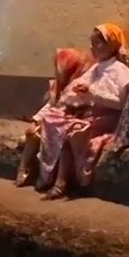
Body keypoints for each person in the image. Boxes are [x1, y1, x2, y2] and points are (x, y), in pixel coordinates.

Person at [34, 24, 129, 200]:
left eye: (97, 43)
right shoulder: (95, 69)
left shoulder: (120, 71)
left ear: (111, 45)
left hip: (108, 118)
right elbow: (75, 90)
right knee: (52, 120)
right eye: (91, 43)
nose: (92, 48)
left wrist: (92, 93)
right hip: (89, 114)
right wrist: (76, 94)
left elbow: (120, 103)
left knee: (71, 131)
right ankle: (46, 175)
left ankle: (60, 182)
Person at [15, 48, 92, 188]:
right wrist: (35, 121)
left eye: (60, 66)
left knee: (56, 139)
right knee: (33, 136)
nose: (57, 70)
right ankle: (23, 168)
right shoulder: (57, 86)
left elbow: (73, 107)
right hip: (52, 120)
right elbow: (49, 106)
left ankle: (49, 178)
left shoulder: (78, 85)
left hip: (64, 122)